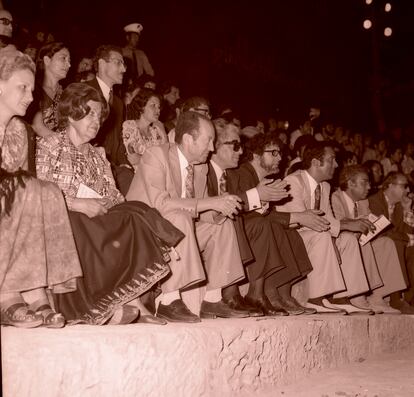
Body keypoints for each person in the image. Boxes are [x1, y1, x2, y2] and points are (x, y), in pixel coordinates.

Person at [36, 82, 184, 325]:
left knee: (135, 211)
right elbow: (41, 194)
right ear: (72, 114)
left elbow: (115, 197)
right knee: (83, 221)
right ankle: (110, 305)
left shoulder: (97, 154)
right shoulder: (50, 146)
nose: (97, 120)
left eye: (99, 115)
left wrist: (101, 203)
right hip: (67, 215)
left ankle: (132, 301)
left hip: (99, 214)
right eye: (90, 113)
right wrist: (78, 204)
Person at [127, 111, 248, 323]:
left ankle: (213, 299)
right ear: (188, 139)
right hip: (145, 233)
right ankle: (168, 301)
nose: (212, 148)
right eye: (208, 140)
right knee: (180, 217)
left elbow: (199, 212)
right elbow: (161, 204)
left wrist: (219, 212)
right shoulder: (155, 155)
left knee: (223, 225)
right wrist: (211, 202)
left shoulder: (200, 168)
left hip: (177, 234)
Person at [0, 49, 82, 328]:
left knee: (47, 190)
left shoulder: (19, 130)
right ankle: (8, 294)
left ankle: (36, 293)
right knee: (28, 188)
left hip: (8, 204)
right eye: (21, 87)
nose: (30, 96)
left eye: (32, 90)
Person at [209, 124, 317, 316]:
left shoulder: (254, 177)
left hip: (241, 223)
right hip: (226, 224)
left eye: (280, 153)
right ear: (257, 156)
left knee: (286, 229)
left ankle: (281, 294)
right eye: (273, 153)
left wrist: (266, 204)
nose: (280, 158)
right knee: (268, 225)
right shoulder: (240, 172)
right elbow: (238, 208)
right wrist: (290, 214)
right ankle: (264, 293)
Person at [277, 141, 376, 314]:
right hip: (290, 236)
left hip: (311, 235)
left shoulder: (325, 186)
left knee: (347, 239)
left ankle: (343, 296)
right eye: (332, 160)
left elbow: (328, 219)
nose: (336, 165)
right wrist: (346, 224)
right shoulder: (293, 181)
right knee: (325, 235)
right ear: (316, 162)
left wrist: (344, 228)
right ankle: (315, 298)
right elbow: (307, 221)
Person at [331, 165, 406, 313]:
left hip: (358, 242)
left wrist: (375, 224)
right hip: (341, 243)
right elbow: (337, 224)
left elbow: (368, 225)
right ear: (350, 183)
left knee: (386, 243)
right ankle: (357, 295)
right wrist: (357, 223)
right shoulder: (335, 198)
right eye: (364, 182)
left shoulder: (363, 202)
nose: (369, 186)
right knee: (360, 241)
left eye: (369, 182)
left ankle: (378, 296)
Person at [368, 172, 414, 314]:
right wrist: (405, 237)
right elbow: (381, 231)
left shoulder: (400, 205)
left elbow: (409, 233)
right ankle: (395, 297)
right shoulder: (374, 201)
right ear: (390, 186)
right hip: (375, 245)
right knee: (396, 243)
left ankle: (409, 299)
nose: (408, 190)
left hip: (393, 242)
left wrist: (407, 210)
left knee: (412, 250)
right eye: (404, 186)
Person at [85, 44, 127, 167]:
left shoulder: (119, 103)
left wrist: (124, 164)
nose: (123, 69)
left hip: (111, 166)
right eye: (118, 63)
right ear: (102, 64)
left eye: (124, 64)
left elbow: (118, 141)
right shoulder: (83, 91)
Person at [26, 42, 71, 137]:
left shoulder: (66, 94)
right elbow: (37, 126)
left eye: (69, 60)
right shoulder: (32, 89)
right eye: (63, 58)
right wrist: (64, 144)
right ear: (47, 60)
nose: (69, 65)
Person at [122, 87, 167, 169]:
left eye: (159, 107)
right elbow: (132, 158)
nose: (158, 110)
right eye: (153, 106)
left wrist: (163, 130)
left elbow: (165, 160)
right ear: (142, 107)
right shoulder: (130, 126)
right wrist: (155, 161)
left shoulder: (156, 132)